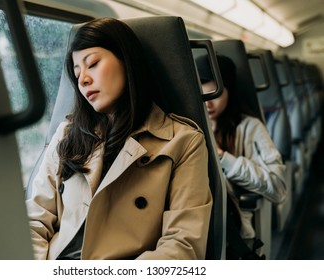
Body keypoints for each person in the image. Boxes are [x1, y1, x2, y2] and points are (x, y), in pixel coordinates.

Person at [26, 17, 213, 260]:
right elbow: (34, 221)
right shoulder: (67, 134)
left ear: (127, 62)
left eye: (92, 64)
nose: (83, 79)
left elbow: (182, 245)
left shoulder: (183, 142)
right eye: (77, 71)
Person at [195, 54, 287, 259]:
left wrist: (224, 158)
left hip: (231, 230)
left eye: (215, 94)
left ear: (230, 92)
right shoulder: (188, 128)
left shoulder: (250, 128)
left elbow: (278, 189)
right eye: (203, 95)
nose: (208, 104)